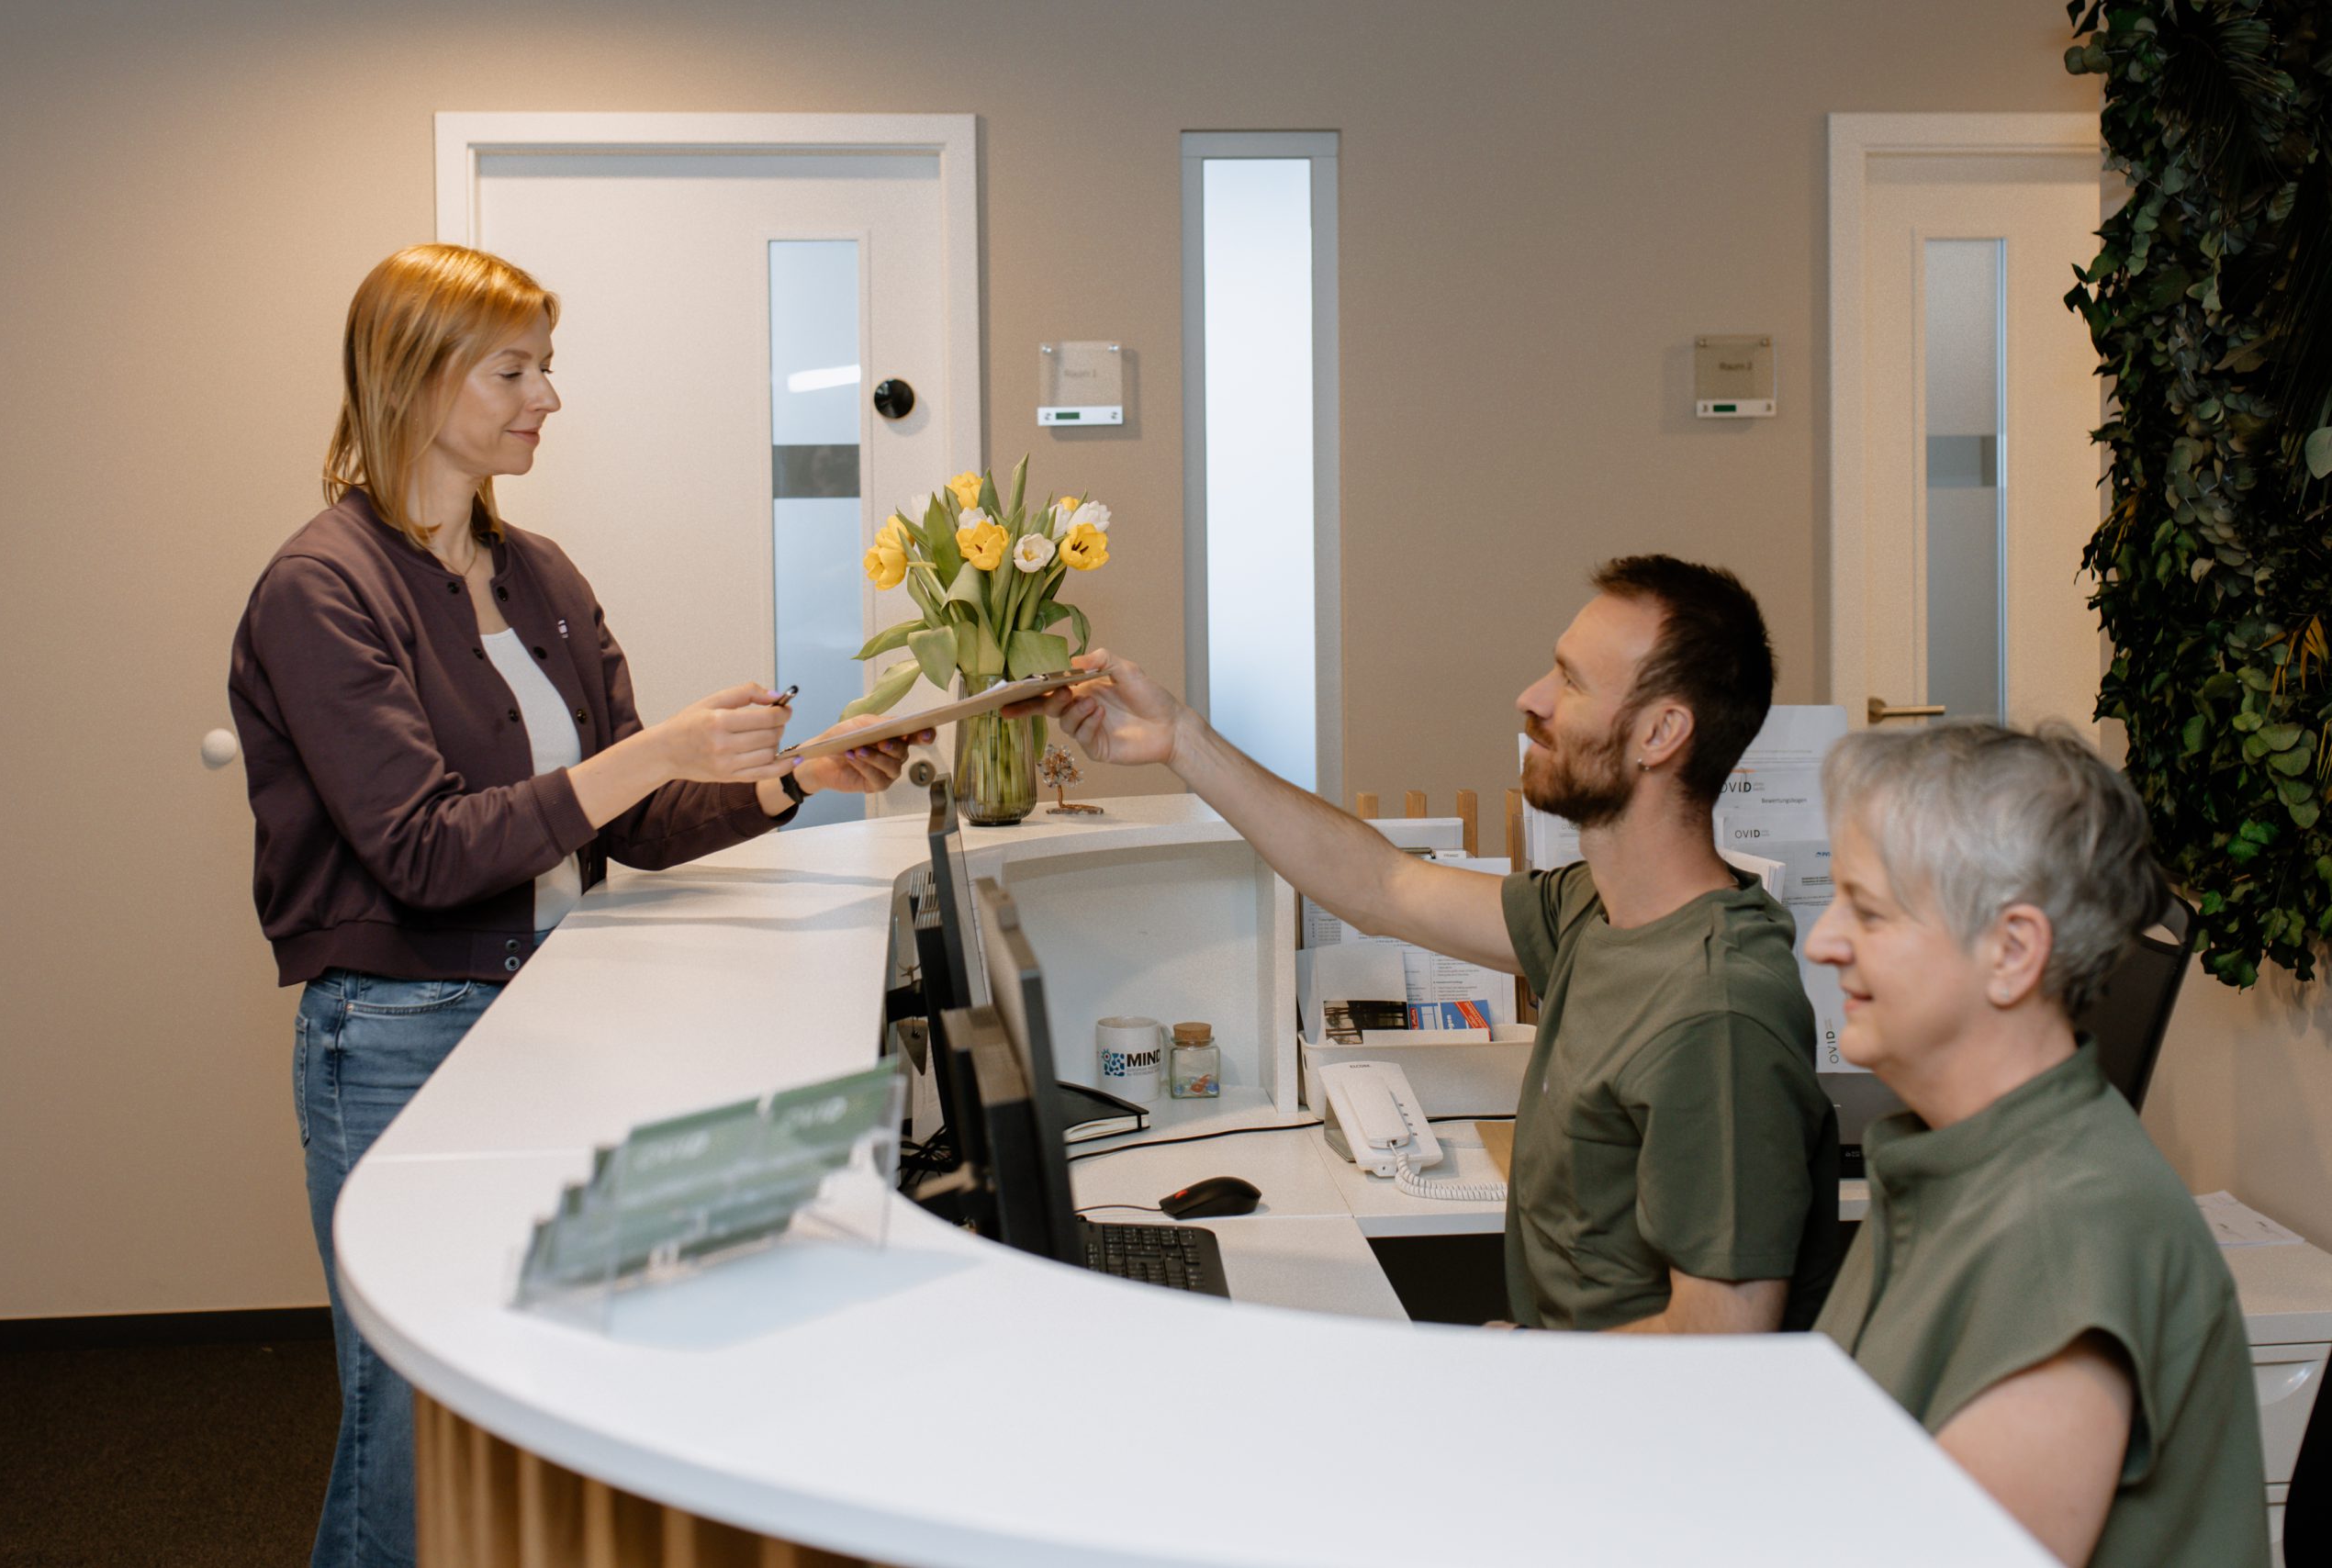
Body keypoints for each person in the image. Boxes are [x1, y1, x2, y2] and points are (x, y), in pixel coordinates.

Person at [229, 243, 927, 1568]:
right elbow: (424, 854)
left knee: (523, 1412)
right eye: (516, 369)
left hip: (547, 1018)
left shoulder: (536, 572)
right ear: (416, 374)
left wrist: (790, 780)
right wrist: (650, 751)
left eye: (546, 365)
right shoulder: (321, 589)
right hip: (401, 1039)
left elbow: (635, 821)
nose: (548, 395)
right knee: (413, 1424)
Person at [1021, 555, 1839, 1332]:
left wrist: (1504, 1360)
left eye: (1570, 682)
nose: (1532, 698)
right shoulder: (1601, 913)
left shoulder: (1717, 1011)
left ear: (1661, 733)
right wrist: (1181, 739)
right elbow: (1382, 887)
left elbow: (1720, 1340)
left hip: (1619, 1444)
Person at [1805, 722, 2266, 1567]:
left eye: (1866, 911)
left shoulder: (2069, 1227)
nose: (1821, 941)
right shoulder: (1952, 1157)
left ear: (2012, 951)